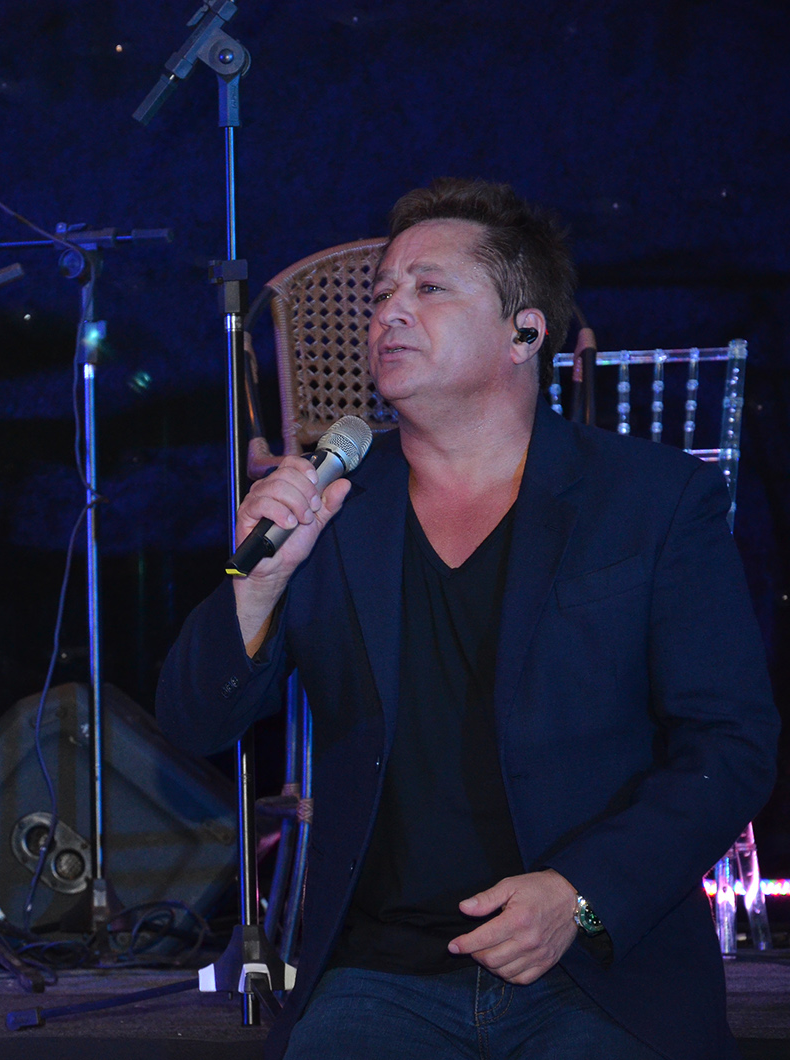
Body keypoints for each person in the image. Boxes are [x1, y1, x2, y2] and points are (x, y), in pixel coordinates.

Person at [156, 178, 777, 1058]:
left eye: (430, 288)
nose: (390, 312)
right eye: (382, 294)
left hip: (596, 972)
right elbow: (191, 723)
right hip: (381, 978)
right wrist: (256, 585)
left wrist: (580, 896)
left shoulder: (651, 500)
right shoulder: (334, 508)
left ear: (525, 333)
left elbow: (731, 743)